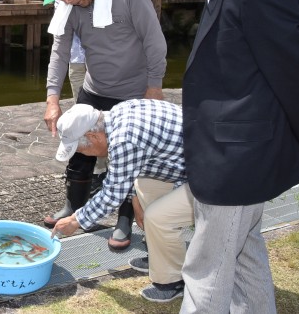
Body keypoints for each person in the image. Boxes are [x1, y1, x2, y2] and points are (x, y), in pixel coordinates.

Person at [167, 0, 299, 313]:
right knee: (244, 256)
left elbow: (294, 73)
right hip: (230, 152)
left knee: (205, 269)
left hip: (237, 157)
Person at [40, 0, 167, 252]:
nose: (66, 1)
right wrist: (52, 98)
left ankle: (124, 219)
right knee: (79, 148)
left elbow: (154, 41)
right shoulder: (69, 6)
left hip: (134, 92)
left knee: (127, 160)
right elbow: (59, 53)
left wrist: (155, 87)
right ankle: (73, 205)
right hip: (94, 88)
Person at [50, 100, 194, 303]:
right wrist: (135, 199)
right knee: (145, 188)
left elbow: (111, 195)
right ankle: (161, 258)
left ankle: (173, 282)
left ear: (92, 136)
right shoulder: (116, 115)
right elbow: (129, 170)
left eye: (81, 149)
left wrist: (75, 221)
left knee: (157, 217)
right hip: (184, 163)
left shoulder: (124, 140)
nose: (82, 154)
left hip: (211, 177)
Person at [54, 0, 129, 242]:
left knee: (120, 133)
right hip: (78, 60)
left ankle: (121, 202)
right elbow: (60, 32)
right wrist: (50, 95)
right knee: (82, 125)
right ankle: (75, 202)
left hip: (116, 67)